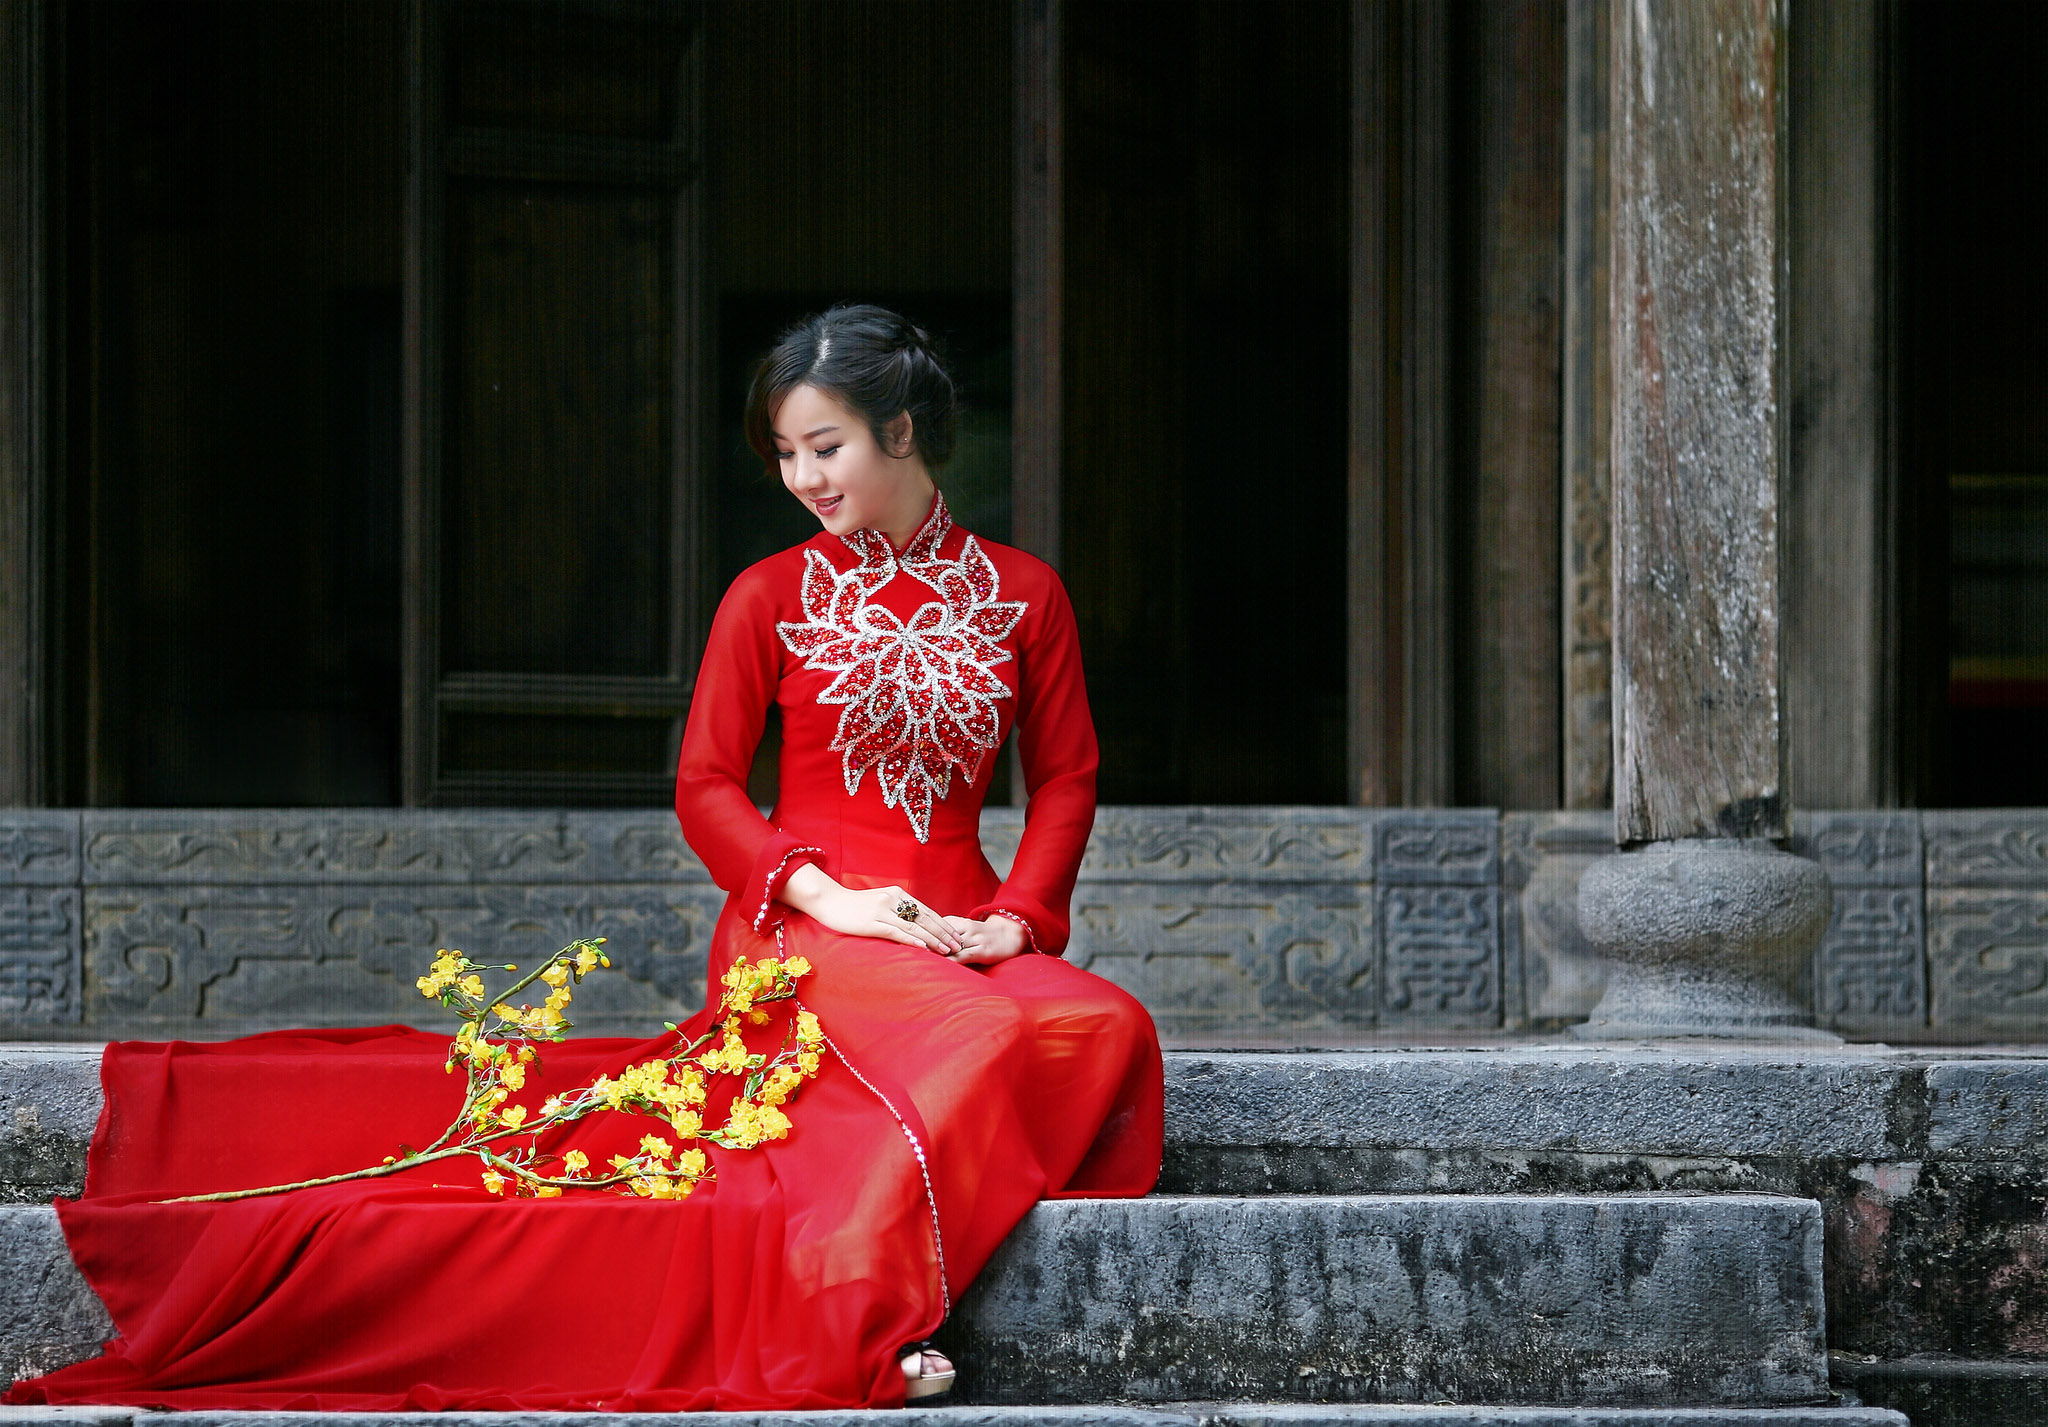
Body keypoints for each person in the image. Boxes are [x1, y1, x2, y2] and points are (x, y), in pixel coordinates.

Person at [6, 303, 1163, 1412]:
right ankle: (850, 1304)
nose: (804, 479)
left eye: (826, 447)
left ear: (899, 432)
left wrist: (1015, 920)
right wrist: (829, 895)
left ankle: (875, 1224)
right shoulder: (766, 597)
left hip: (962, 932)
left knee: (1105, 1025)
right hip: (808, 928)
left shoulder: (1023, 596)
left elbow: (1062, 777)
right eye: (784, 455)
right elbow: (705, 786)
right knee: (980, 1034)